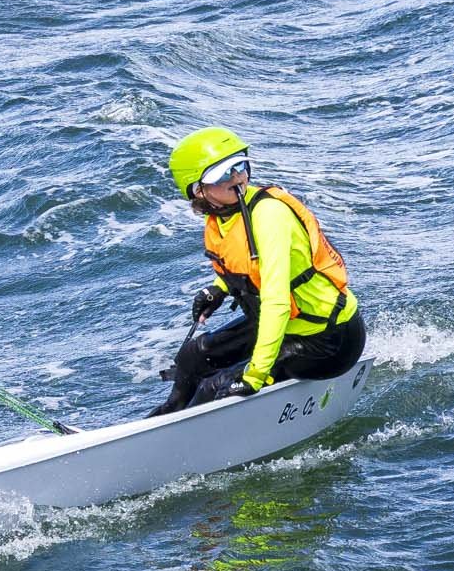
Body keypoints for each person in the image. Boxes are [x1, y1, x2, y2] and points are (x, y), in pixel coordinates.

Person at [149, 127, 365, 415]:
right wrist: (218, 289)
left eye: (240, 166)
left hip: (327, 339)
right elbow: (243, 264)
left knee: (216, 387)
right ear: (198, 190)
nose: (236, 177)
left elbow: (277, 302)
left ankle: (184, 437)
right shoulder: (226, 214)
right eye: (223, 174)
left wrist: (255, 375)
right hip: (288, 326)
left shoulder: (268, 215)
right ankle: (165, 419)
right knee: (194, 356)